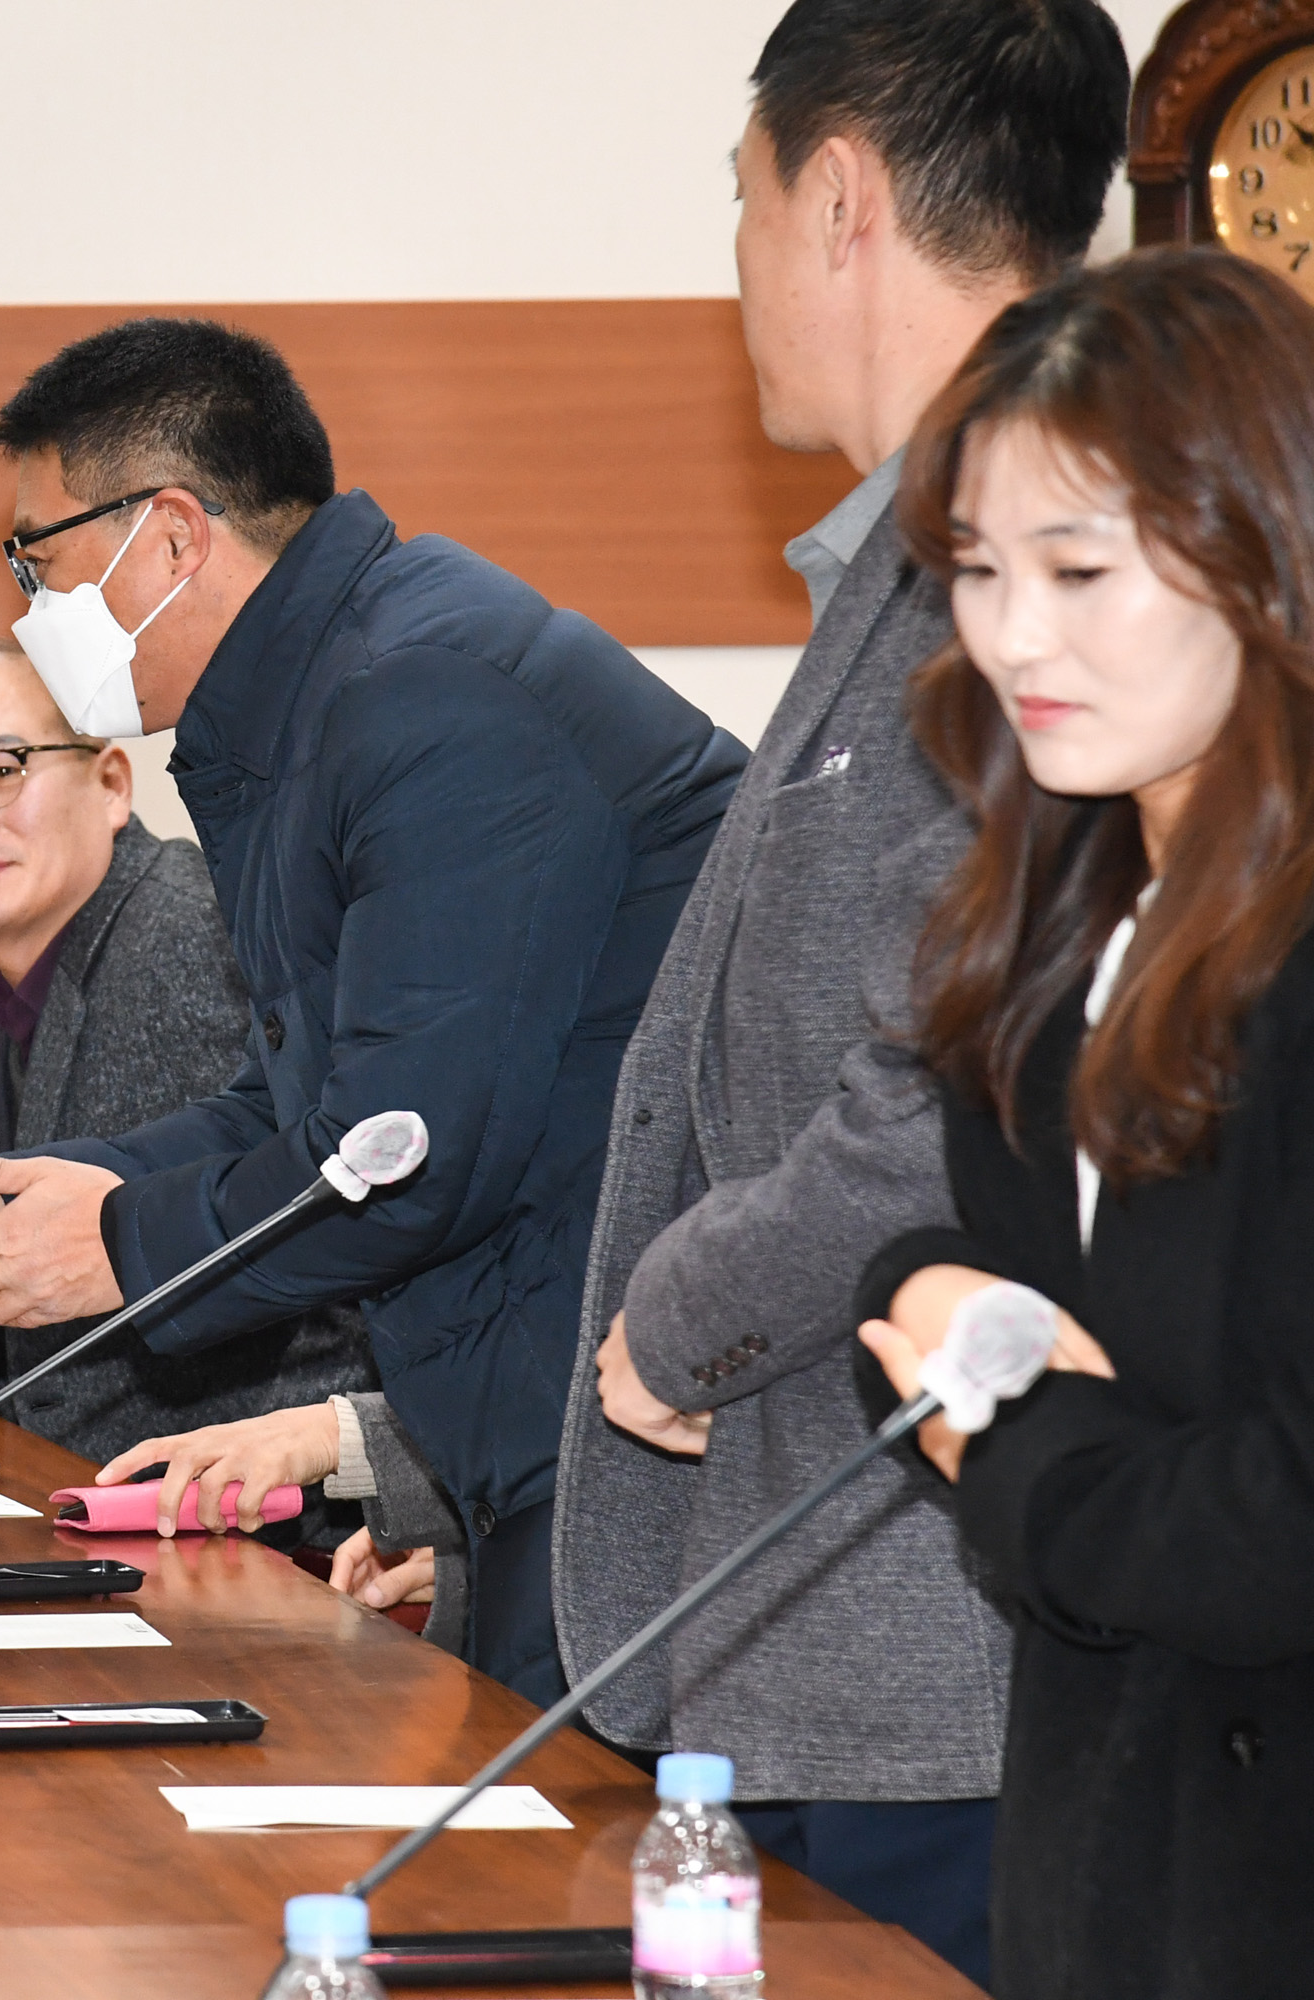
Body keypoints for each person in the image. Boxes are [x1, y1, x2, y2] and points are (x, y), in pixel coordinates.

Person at [0, 318, 747, 1703]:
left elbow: (407, 1150)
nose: (30, 608)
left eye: (42, 561)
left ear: (173, 539)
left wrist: (120, 1248)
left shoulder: (422, 696)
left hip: (635, 1429)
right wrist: (39, 1196)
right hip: (528, 1429)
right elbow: (296, 1105)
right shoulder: (312, 705)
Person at [547, 3, 1129, 1984]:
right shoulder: (901, 555)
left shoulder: (1024, 576)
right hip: (817, 1611)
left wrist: (686, 1310)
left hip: (936, 1641)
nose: (738, 271)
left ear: (841, 196)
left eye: (741, 201)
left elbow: (960, 1069)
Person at [851, 248, 1314, 2000]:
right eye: (977, 571)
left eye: (1080, 569)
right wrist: (918, 1303)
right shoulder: (1069, 898)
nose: (1013, 636)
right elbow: (980, 1273)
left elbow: (1283, 1513)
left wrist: (1011, 1444)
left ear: (1267, 549)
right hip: (1111, 1870)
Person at [0, 637, 375, 1472]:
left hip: (250, 1516)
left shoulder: (201, 938)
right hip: (79, 1504)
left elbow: (334, 1263)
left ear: (112, 783)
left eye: (1, 770)